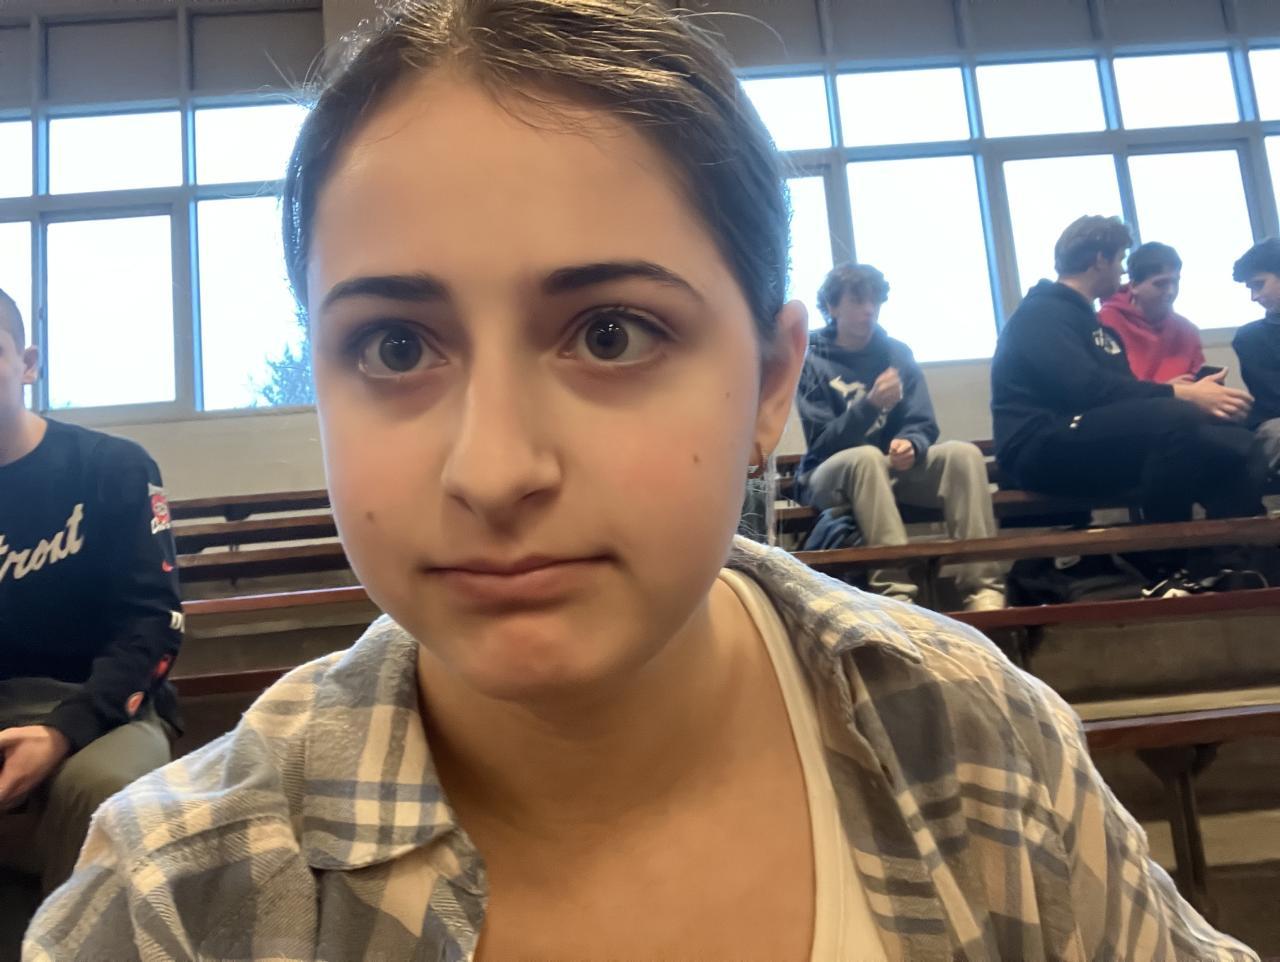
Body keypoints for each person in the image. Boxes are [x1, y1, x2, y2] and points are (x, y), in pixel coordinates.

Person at [28, 5, 1257, 960]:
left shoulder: (964, 732)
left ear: (768, 380)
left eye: (610, 333)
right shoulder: (175, 895)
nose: (494, 469)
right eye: (395, 347)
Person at [0, 290, 183, 918]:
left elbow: (154, 623)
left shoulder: (112, 467)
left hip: (106, 705)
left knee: (104, 790)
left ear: (28, 364)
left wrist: (61, 732)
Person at [992, 216, 1263, 569]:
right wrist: (1178, 395)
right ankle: (1165, 562)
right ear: (1100, 259)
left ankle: (1235, 565)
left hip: (1086, 436)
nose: (1122, 271)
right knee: (1177, 416)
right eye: (1119, 259)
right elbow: (1085, 389)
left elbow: (1124, 395)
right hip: (1038, 446)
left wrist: (1179, 391)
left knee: (1232, 443)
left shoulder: (1094, 325)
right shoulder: (1041, 313)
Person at [796, 263, 1004, 610]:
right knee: (866, 458)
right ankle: (897, 594)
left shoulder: (896, 353)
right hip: (828, 476)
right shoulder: (813, 359)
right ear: (832, 307)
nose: (869, 310)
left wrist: (912, 443)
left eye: (875, 301)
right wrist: (870, 405)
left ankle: (983, 588)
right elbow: (821, 442)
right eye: (857, 301)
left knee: (963, 454)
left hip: (890, 471)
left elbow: (922, 423)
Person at [1098, 241, 1205, 383]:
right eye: (1160, 284)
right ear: (1134, 286)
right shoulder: (1105, 323)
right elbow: (1106, 387)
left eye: (1175, 282)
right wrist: (1168, 390)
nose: (1171, 291)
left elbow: (1198, 380)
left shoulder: (1187, 330)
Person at [1232, 237, 1280, 480]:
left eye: (1259, 285)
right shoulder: (1251, 338)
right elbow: (1274, 399)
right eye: (1251, 288)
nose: (1254, 296)